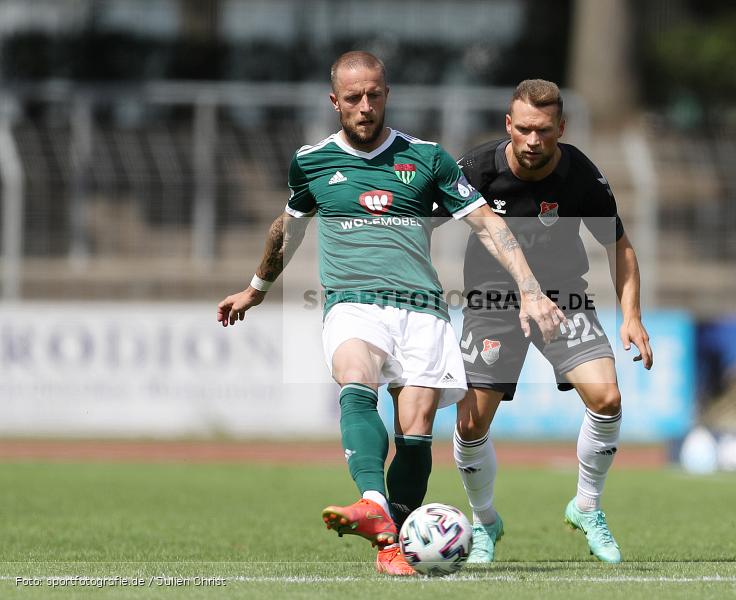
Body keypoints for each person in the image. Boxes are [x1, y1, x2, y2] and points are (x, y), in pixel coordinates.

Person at [215, 53, 565, 576]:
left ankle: (392, 543)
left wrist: (531, 289)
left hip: (423, 308)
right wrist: (256, 288)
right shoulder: (311, 162)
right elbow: (286, 228)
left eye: (373, 94)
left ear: (386, 94)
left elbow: (487, 224)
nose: (364, 105)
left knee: (416, 428)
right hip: (352, 302)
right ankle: (374, 504)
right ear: (335, 101)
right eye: (353, 97)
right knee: (356, 377)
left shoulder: (426, 159)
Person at [435, 79, 653, 564]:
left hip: (564, 299)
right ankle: (485, 520)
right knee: (470, 424)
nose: (534, 141)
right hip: (492, 302)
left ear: (562, 127)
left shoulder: (581, 176)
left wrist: (631, 315)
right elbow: (422, 225)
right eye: (526, 130)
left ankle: (587, 506)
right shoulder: (476, 169)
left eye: (546, 131)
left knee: (608, 397)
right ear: (509, 125)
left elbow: (619, 244)